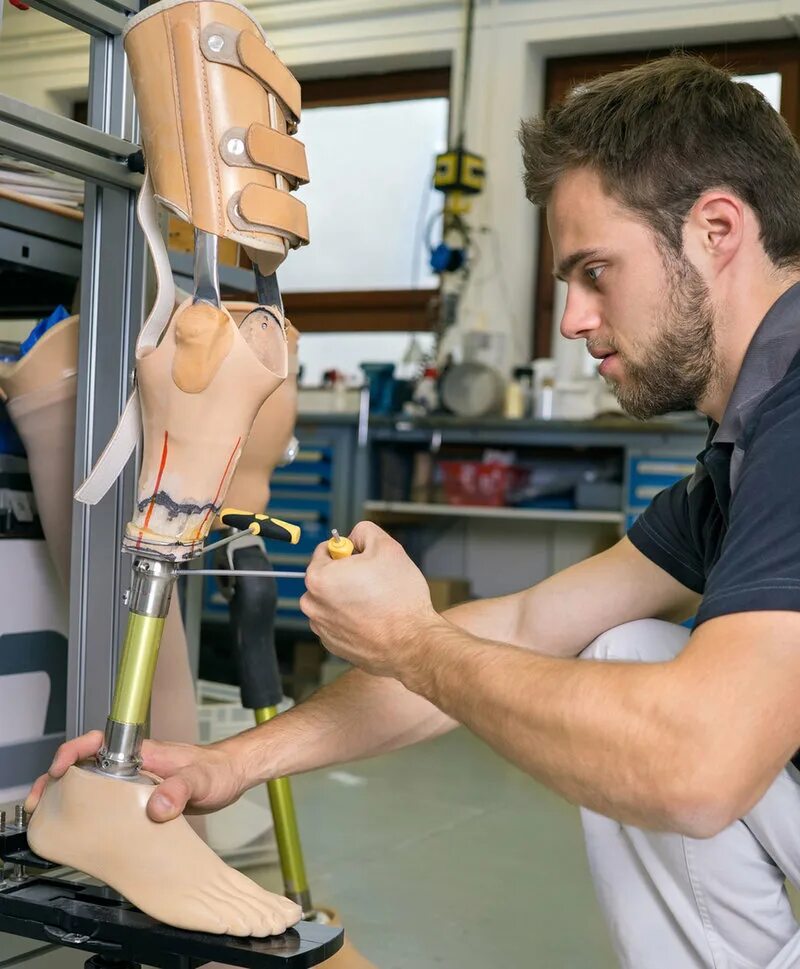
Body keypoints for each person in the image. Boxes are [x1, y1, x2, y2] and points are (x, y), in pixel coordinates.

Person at [29, 55, 800, 968]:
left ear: (717, 229)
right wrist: (231, 763)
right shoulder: (739, 453)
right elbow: (520, 624)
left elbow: (698, 769)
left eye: (596, 271)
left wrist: (412, 643)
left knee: (666, 720)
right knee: (628, 650)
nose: (572, 319)